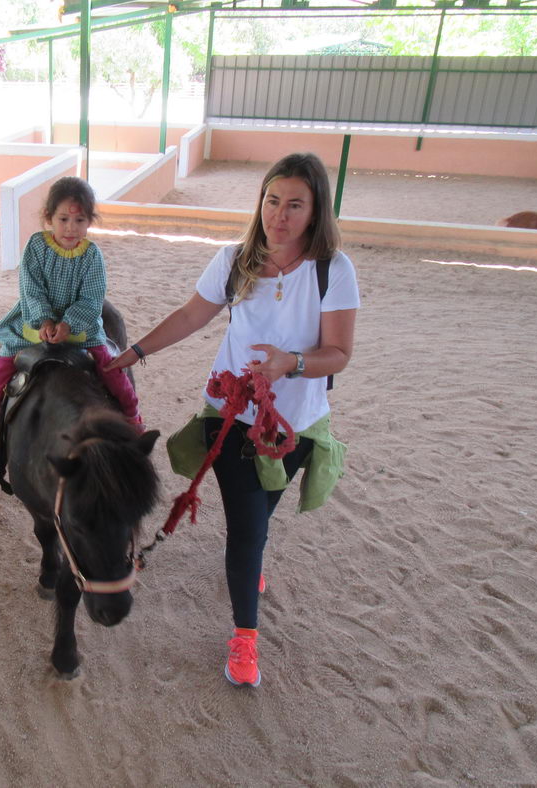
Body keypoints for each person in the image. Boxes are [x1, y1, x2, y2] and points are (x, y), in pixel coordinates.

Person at [106, 152, 360, 687]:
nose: (279, 215)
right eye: (272, 200)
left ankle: (252, 560)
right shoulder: (234, 260)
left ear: (315, 211)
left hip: (296, 425)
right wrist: (134, 354)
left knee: (260, 518)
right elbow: (190, 316)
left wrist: (289, 363)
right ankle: (245, 639)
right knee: (245, 532)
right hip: (232, 417)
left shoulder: (332, 271)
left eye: (295, 204)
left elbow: (338, 354)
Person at [0, 176, 142, 455]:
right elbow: (30, 289)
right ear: (48, 218)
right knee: (0, 366)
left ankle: (132, 414)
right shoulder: (36, 247)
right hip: (35, 324)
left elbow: (92, 297)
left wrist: (69, 324)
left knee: (110, 366)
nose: (71, 228)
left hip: (81, 328)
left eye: (80, 220)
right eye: (63, 219)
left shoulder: (92, 256)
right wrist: (45, 320)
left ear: (89, 221)